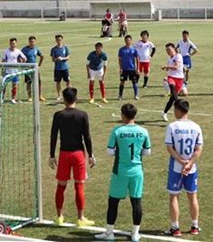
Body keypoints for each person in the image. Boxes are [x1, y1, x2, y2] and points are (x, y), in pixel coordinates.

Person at [95, 103, 151, 242]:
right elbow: (147, 151)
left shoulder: (117, 131)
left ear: (123, 115)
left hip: (120, 171)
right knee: (136, 202)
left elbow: (109, 151)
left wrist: (120, 153)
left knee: (113, 201)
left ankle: (109, 233)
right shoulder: (143, 131)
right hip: (137, 171)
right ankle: (135, 234)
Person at [49, 87, 96, 228]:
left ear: (64, 99)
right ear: (76, 98)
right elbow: (86, 136)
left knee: (61, 185)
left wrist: (52, 155)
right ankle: (80, 218)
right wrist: (91, 155)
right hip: (78, 154)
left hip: (64, 154)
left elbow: (53, 136)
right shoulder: (82, 115)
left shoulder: (58, 115)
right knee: (79, 185)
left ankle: (59, 217)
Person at [164, 99, 203, 237]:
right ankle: (195, 226)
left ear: (179, 110)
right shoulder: (196, 127)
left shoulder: (172, 126)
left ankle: (175, 228)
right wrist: (189, 163)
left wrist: (181, 161)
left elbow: (169, 147)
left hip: (176, 166)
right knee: (192, 196)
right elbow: (198, 149)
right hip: (191, 168)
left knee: (174, 196)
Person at [161, 43, 185, 122]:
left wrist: (167, 67)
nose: (168, 51)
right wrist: (166, 68)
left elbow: (176, 67)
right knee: (171, 86)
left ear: (174, 49)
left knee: (171, 99)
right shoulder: (169, 59)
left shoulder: (178, 56)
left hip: (179, 79)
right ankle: (178, 104)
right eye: (166, 50)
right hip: (171, 77)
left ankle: (164, 112)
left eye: (169, 49)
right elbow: (169, 69)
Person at [2, 37, 27, 104]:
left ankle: (13, 98)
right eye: (12, 43)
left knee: (14, 85)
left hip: (15, 72)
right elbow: (3, 60)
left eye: (14, 43)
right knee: (4, 85)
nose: (13, 44)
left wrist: (21, 64)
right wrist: (3, 68)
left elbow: (25, 58)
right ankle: (2, 98)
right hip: (7, 71)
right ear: (10, 43)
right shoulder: (6, 51)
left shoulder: (18, 51)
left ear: (16, 43)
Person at [21, 36, 46, 102]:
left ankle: (40, 96)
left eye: (33, 42)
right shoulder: (24, 49)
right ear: (28, 42)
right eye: (31, 42)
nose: (32, 43)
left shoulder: (36, 49)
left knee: (39, 82)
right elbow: (20, 57)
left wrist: (39, 65)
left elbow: (42, 56)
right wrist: (23, 65)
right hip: (27, 69)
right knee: (29, 83)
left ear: (35, 42)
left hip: (35, 68)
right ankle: (29, 97)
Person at [118, 35, 140, 101]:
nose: (128, 41)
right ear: (125, 41)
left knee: (134, 82)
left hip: (132, 69)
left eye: (129, 40)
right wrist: (120, 68)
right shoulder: (121, 49)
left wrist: (137, 68)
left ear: (131, 41)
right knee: (122, 82)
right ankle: (120, 95)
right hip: (124, 69)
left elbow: (137, 59)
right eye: (127, 40)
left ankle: (136, 95)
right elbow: (120, 59)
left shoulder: (134, 49)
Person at [51, 34, 71, 101]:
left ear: (62, 40)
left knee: (68, 81)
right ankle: (59, 95)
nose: (59, 41)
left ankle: (69, 95)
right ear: (56, 40)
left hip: (65, 68)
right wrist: (57, 59)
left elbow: (68, 57)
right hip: (57, 68)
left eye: (60, 40)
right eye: (57, 40)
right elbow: (53, 59)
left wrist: (62, 58)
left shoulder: (65, 48)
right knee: (58, 82)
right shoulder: (53, 49)